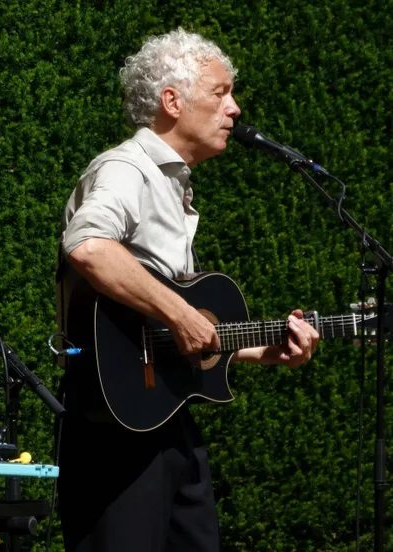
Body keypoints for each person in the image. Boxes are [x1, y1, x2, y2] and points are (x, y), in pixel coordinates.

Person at [55, 28, 320, 551]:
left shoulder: (172, 182)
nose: (235, 108)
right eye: (221, 93)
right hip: (113, 434)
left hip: (163, 418)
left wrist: (272, 350)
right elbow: (87, 245)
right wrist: (180, 312)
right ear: (171, 101)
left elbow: (179, 335)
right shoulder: (126, 170)